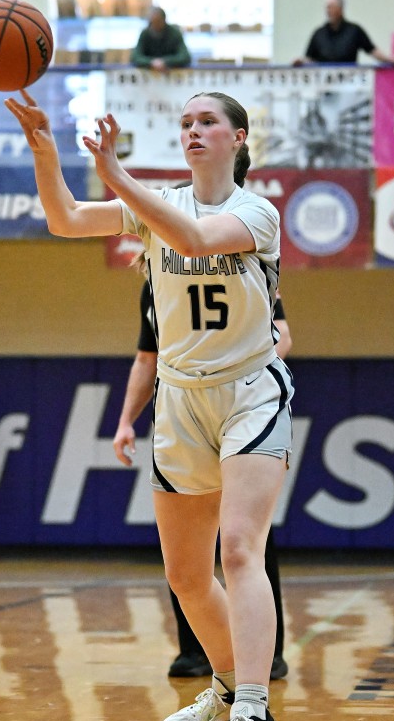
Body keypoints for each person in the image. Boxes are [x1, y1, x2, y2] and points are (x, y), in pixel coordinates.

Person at [5, 88, 291, 721]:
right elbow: (65, 218)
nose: (193, 130)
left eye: (208, 122)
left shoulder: (257, 211)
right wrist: (45, 150)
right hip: (181, 398)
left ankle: (256, 714)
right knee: (186, 574)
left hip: (250, 389)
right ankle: (223, 692)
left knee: (241, 550)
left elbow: (192, 238)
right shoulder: (154, 202)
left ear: (239, 138)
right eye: (185, 122)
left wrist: (119, 177)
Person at [113, 283, 292, 683]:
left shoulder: (243, 261)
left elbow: (283, 336)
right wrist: (126, 420)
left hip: (239, 408)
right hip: (180, 416)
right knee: (186, 562)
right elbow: (146, 358)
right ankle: (204, 658)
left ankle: (265, 662)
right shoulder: (153, 283)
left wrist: (237, 373)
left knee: (244, 542)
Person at [294, 0, 394, 66]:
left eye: (331, 7)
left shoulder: (354, 30)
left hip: (349, 86)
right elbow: (309, 58)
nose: (328, 11)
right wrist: (301, 62)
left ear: (340, 9)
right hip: (323, 87)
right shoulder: (318, 33)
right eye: (327, 7)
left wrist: (389, 60)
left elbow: (372, 50)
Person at [130, 6, 191, 72]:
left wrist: (165, 61)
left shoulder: (174, 33)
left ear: (163, 20)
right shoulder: (145, 33)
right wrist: (151, 62)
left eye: (157, 22)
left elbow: (185, 56)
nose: (154, 25)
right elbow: (135, 56)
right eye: (152, 22)